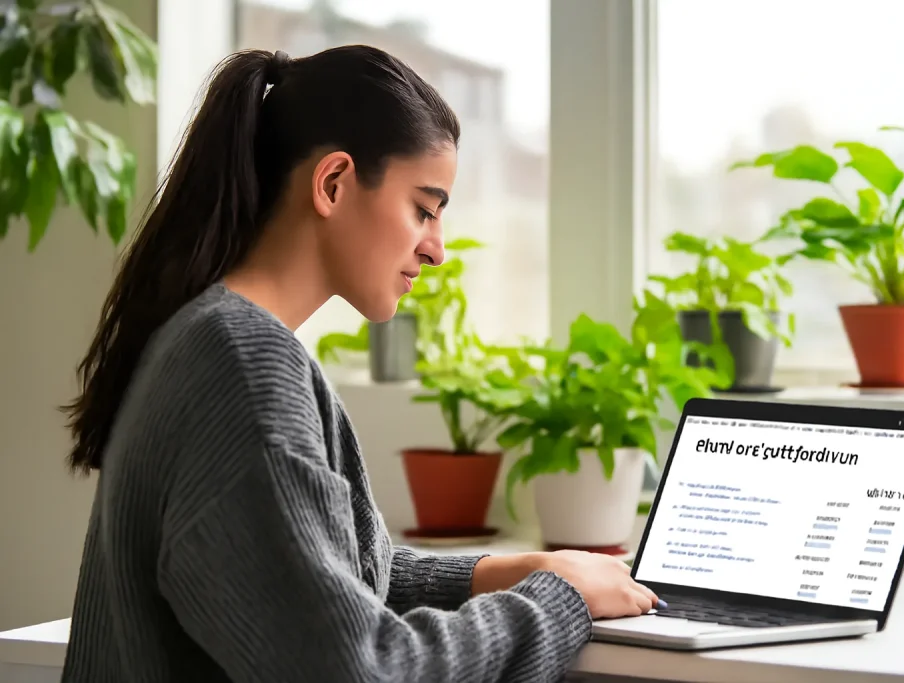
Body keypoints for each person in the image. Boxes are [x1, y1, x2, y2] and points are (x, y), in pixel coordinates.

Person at [58, 45, 662, 683]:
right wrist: (558, 603)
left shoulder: (209, 338)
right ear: (333, 183)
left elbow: (318, 573)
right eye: (423, 209)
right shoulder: (243, 364)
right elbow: (356, 669)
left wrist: (504, 572)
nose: (437, 250)